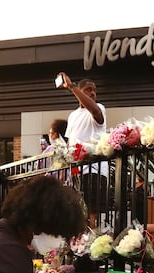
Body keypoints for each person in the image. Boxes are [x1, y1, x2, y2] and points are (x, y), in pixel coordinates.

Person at [57, 72, 108, 226]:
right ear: (80, 91)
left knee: (93, 211)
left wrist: (71, 86)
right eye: (88, 89)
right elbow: (71, 141)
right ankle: (80, 244)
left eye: (94, 90)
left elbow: (95, 112)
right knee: (78, 211)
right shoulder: (72, 115)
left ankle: (93, 242)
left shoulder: (99, 107)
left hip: (95, 169)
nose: (93, 93)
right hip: (77, 171)